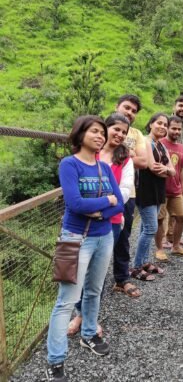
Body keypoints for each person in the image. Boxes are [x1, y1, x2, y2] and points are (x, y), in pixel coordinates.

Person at [46, 116, 123, 382]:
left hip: (104, 237)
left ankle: (89, 334)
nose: (100, 136)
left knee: (93, 291)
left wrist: (99, 211)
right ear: (80, 134)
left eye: (103, 132)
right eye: (94, 131)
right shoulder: (70, 164)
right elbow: (74, 203)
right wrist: (105, 202)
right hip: (76, 238)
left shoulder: (103, 167)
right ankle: (55, 360)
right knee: (67, 300)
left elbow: (120, 203)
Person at [67, 113, 140, 337]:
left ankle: (88, 318)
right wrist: (102, 205)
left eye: (124, 132)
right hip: (80, 224)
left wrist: (100, 213)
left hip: (111, 222)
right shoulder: (87, 152)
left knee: (97, 274)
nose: (119, 134)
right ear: (105, 128)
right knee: (79, 272)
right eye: (115, 129)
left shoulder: (124, 159)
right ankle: (80, 313)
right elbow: (75, 196)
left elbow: (124, 193)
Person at [131, 113, 175, 280]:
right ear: (150, 124)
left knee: (145, 227)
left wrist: (166, 170)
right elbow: (152, 167)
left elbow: (171, 170)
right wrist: (166, 170)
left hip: (158, 189)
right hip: (145, 189)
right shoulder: (145, 141)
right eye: (159, 123)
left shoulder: (161, 146)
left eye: (165, 124)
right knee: (151, 228)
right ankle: (136, 267)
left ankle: (144, 261)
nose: (163, 127)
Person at [113, 94, 148, 287]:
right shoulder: (102, 128)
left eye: (134, 111)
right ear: (117, 106)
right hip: (101, 192)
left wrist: (122, 154)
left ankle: (121, 279)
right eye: (126, 107)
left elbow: (143, 161)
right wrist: (129, 153)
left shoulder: (136, 134)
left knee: (123, 236)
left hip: (127, 192)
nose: (130, 113)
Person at [155, 116, 183, 261]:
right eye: (174, 128)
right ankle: (159, 249)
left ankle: (176, 246)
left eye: (179, 129)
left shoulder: (181, 148)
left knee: (181, 216)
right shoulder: (160, 144)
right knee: (160, 219)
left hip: (176, 189)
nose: (176, 131)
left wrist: (182, 188)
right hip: (161, 189)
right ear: (167, 128)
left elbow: (181, 169)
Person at [163, 95, 183, 248]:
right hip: (166, 171)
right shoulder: (165, 123)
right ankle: (163, 237)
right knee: (162, 205)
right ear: (174, 106)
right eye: (180, 105)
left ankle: (173, 236)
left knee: (178, 205)